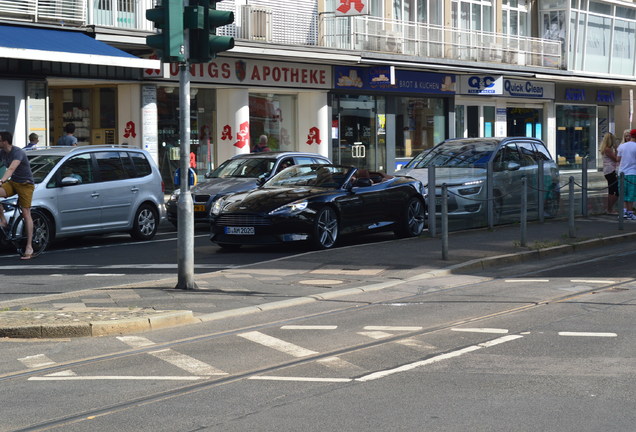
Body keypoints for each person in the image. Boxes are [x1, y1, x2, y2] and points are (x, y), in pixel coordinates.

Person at [0, 131, 34, 259]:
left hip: (26, 185)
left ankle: (29, 246)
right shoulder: (2, 153)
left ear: (5, 142)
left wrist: (1, 180)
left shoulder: (17, 152)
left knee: (26, 213)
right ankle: (3, 221)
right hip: (13, 183)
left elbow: (11, 169)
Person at [617, 129, 636, 220]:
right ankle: (630, 212)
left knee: (623, 193)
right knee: (631, 194)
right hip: (633, 172)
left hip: (622, 173)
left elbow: (618, 159)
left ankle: (623, 211)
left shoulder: (622, 146)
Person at [599, 132, 619, 215]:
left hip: (607, 171)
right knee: (616, 191)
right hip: (611, 171)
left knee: (611, 191)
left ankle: (609, 209)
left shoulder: (605, 148)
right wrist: (617, 150)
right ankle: (609, 208)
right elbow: (616, 159)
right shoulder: (608, 149)